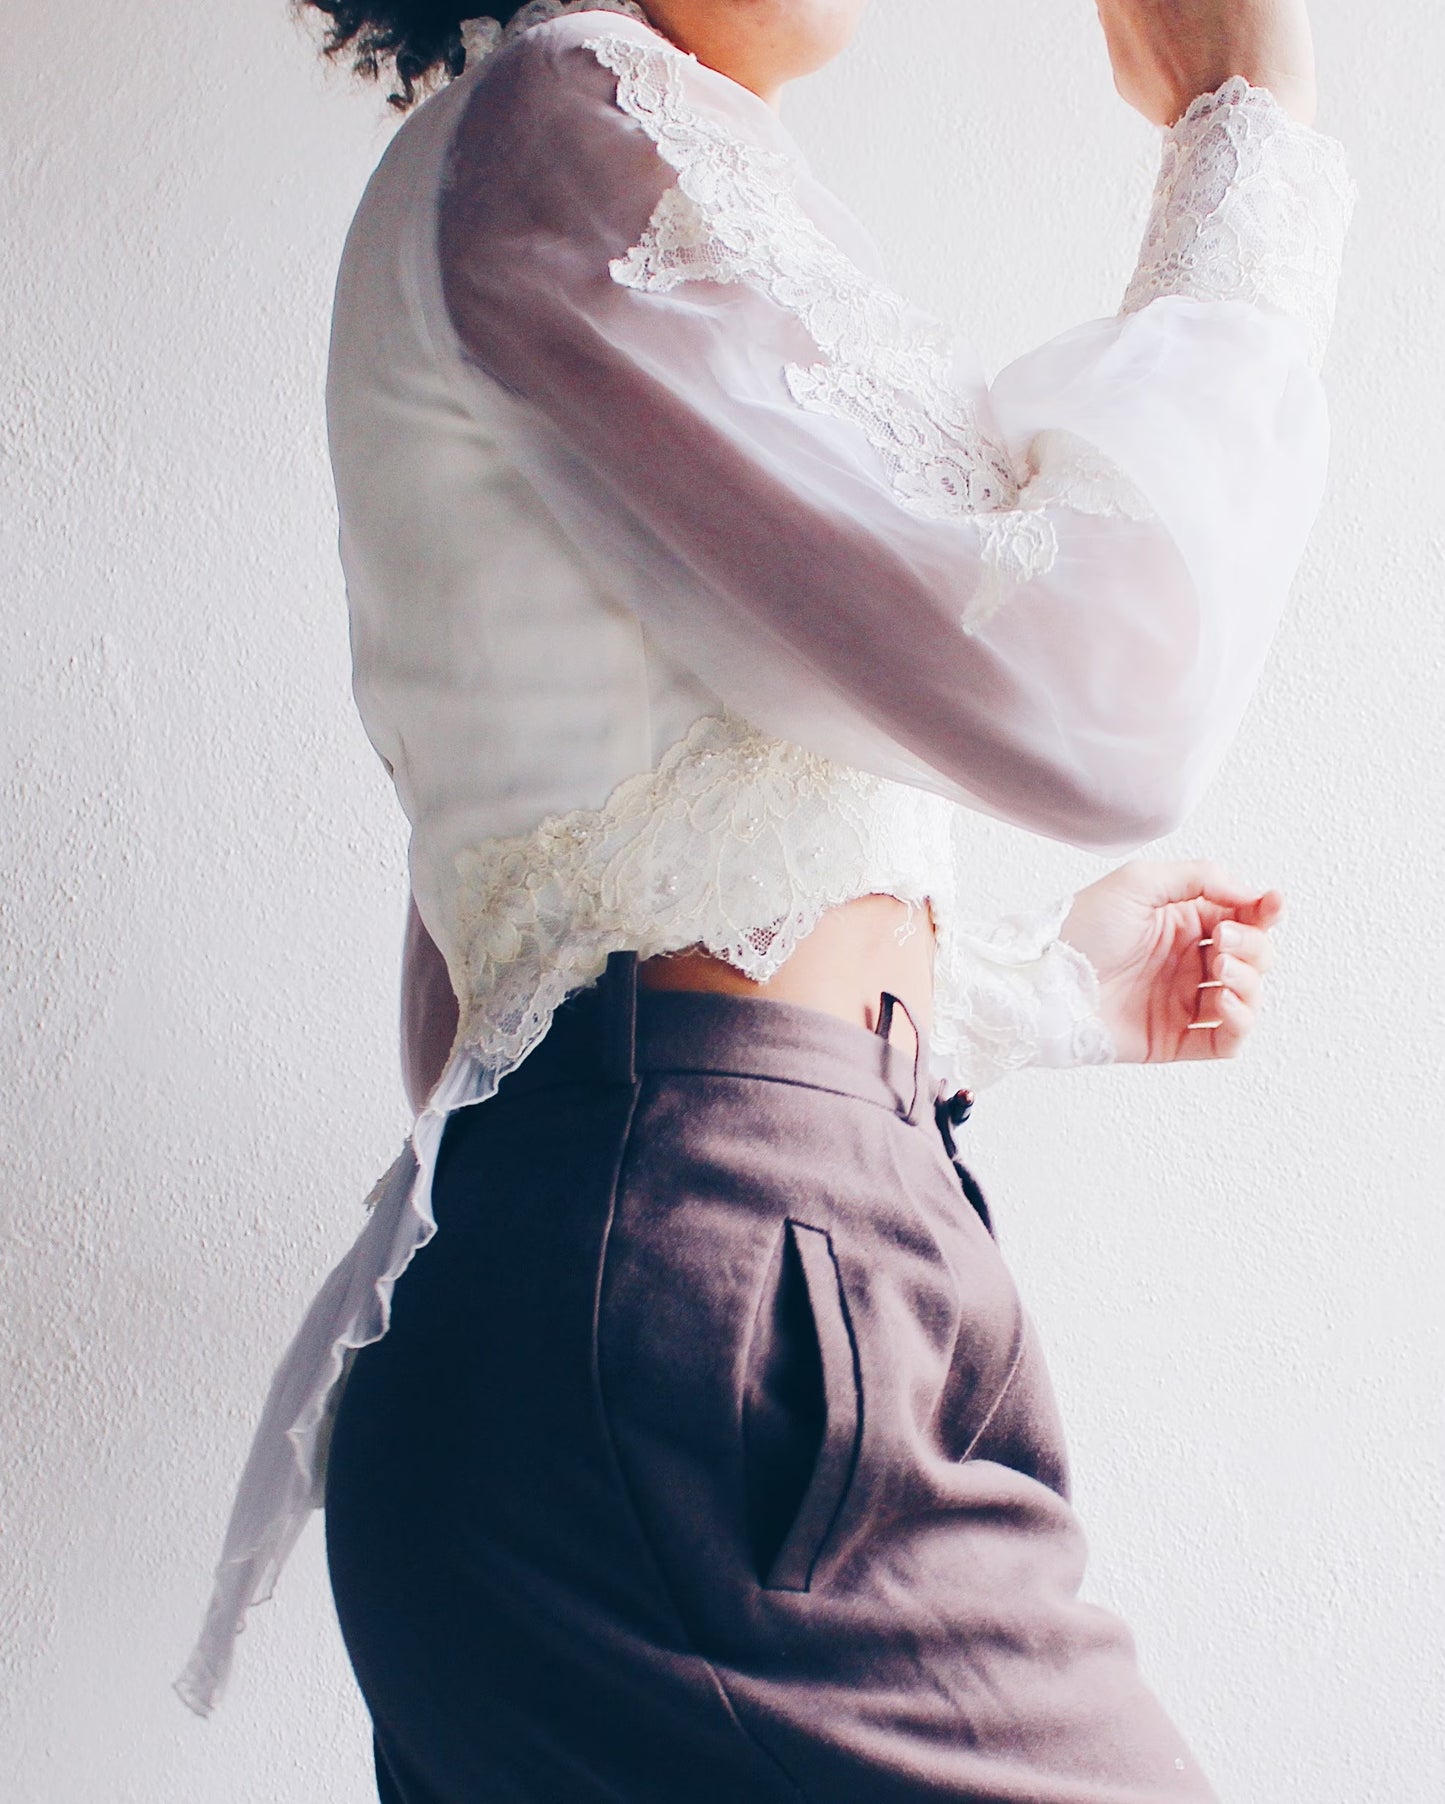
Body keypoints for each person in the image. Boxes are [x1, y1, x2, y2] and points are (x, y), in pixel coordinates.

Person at [175, 1, 1354, 1797]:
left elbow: (506, 985)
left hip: (669, 1323)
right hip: (717, 1351)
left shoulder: (565, 154)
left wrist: (1029, 997)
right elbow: (1108, 700)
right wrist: (1243, 125)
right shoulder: (572, 126)